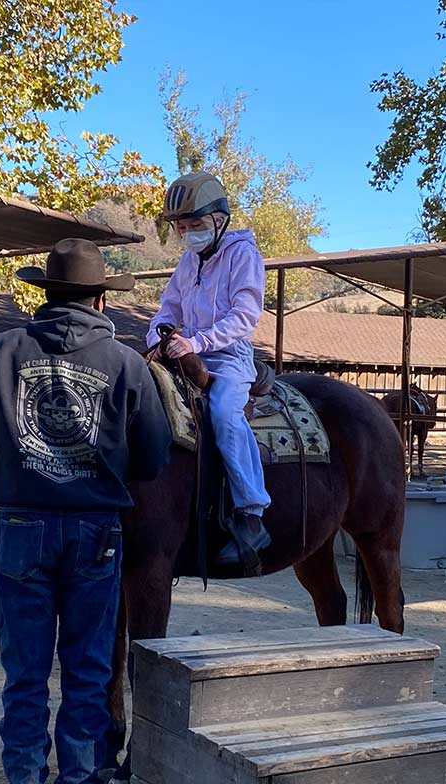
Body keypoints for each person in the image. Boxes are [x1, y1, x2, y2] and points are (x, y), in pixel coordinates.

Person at [0, 238, 172, 784]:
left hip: (23, 528)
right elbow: (154, 458)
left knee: (24, 676)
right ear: (101, 296)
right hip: (96, 532)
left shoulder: (4, 350)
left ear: (44, 293)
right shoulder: (126, 363)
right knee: (87, 671)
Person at [148, 171, 272, 565]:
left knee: (222, 413)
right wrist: (157, 338)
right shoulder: (187, 263)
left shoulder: (243, 255)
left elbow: (245, 315)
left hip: (229, 356)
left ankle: (252, 514)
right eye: (182, 227)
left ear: (220, 221)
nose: (188, 234)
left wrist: (196, 342)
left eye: (196, 225)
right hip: (186, 353)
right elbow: (168, 309)